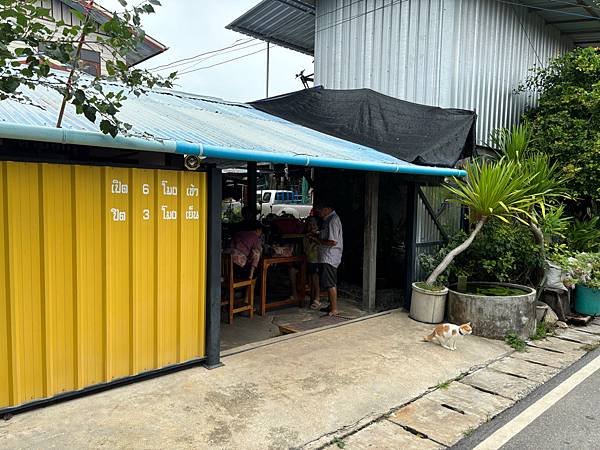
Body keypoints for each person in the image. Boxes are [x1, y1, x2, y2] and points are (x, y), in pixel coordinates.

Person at [314, 204, 343, 316]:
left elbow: (333, 241)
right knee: (328, 282)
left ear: (326, 209)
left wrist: (319, 241)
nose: (319, 214)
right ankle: (331, 305)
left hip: (330, 256)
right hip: (326, 256)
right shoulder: (328, 219)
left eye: (320, 211)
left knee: (330, 283)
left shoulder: (332, 220)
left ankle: (334, 309)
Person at [304, 217, 322, 310]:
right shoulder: (307, 236)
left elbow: (321, 244)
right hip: (310, 259)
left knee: (315, 278)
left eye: (313, 224)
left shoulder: (319, 234)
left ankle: (317, 298)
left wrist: (314, 238)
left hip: (317, 259)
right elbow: (306, 248)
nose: (311, 227)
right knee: (311, 278)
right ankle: (313, 297)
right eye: (309, 225)